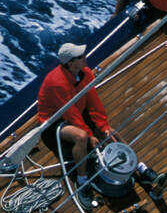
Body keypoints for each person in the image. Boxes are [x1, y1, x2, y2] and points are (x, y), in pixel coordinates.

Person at [37, 43, 113, 176]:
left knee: (109, 132)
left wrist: (103, 125)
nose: (85, 56)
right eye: (80, 56)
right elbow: (70, 114)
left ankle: (139, 167)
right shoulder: (57, 83)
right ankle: (82, 177)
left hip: (77, 111)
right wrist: (90, 135)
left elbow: (94, 102)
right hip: (53, 121)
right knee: (81, 137)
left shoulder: (86, 72)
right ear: (71, 64)